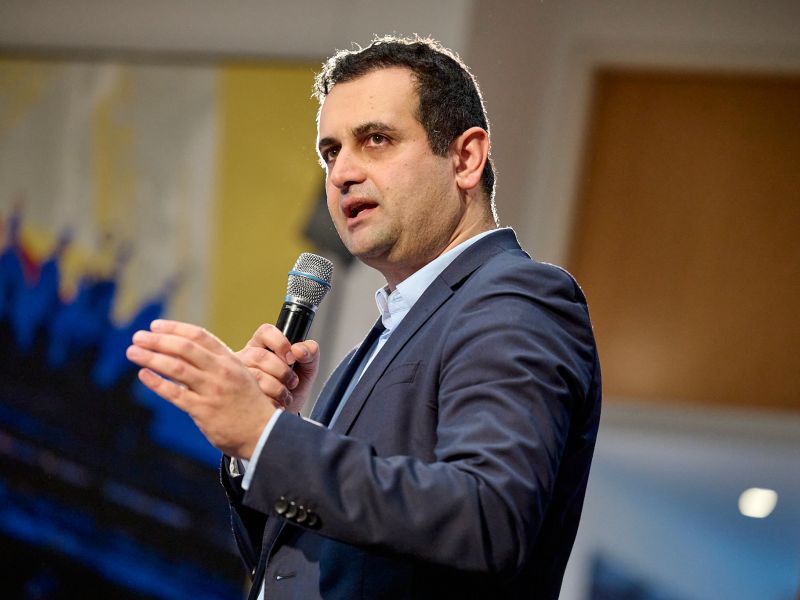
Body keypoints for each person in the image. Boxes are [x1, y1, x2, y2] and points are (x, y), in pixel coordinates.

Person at [127, 35, 601, 600]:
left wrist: (268, 438)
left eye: (376, 140)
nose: (341, 174)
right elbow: (296, 568)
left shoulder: (517, 297)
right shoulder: (372, 348)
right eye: (331, 152)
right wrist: (257, 446)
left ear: (466, 158)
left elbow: (486, 518)